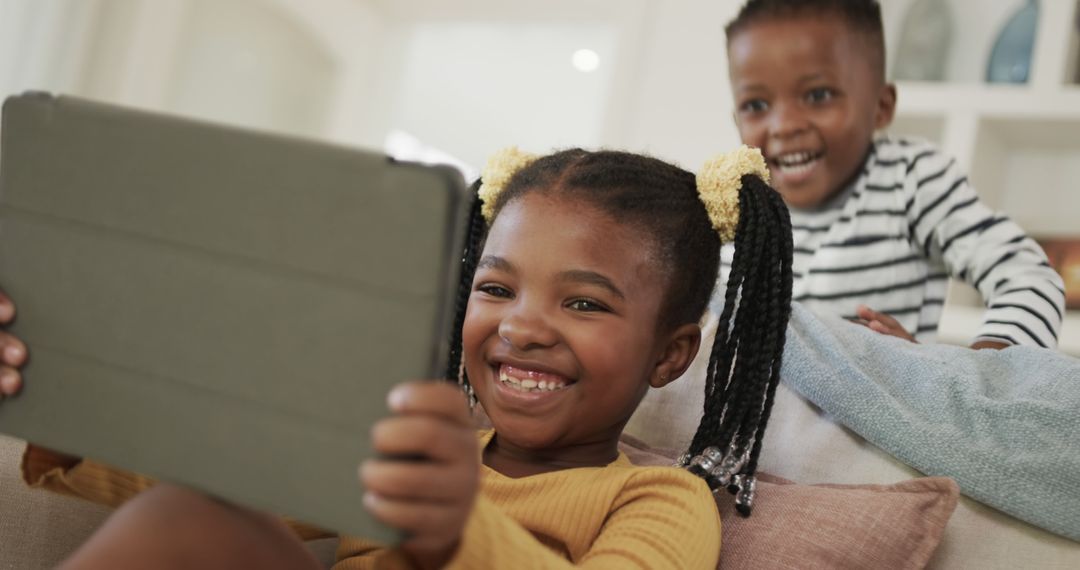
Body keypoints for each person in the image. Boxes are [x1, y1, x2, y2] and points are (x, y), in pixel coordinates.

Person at [0, 144, 794, 569]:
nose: (521, 326)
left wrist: (454, 529)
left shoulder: (658, 503)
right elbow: (215, 489)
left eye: (582, 302)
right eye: (496, 289)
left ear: (671, 355)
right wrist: (51, 391)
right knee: (190, 512)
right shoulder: (400, 449)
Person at [722, 0, 1065, 349]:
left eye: (817, 95)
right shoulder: (736, 213)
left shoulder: (912, 179)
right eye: (756, 105)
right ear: (737, 119)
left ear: (881, 107)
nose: (784, 126)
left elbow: (1029, 276)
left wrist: (967, 374)